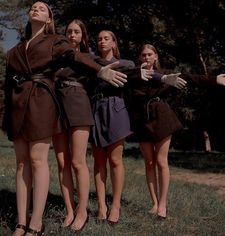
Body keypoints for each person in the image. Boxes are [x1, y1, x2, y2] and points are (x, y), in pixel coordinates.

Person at [1, 2, 128, 235]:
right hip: (20, 105)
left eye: (42, 7)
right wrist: (5, 113)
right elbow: (8, 84)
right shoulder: (14, 51)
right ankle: (21, 222)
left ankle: (39, 223)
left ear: (49, 19)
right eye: (33, 6)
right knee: (22, 163)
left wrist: (100, 70)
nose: (35, 8)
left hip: (44, 102)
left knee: (45, 160)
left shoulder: (56, 41)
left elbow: (74, 55)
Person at [127, 44, 225, 219]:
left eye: (149, 54)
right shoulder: (135, 75)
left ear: (156, 57)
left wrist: (214, 79)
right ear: (140, 58)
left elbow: (190, 77)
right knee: (149, 163)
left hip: (162, 117)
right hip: (142, 120)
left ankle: (163, 205)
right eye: (143, 55)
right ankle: (154, 203)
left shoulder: (166, 74)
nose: (146, 57)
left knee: (161, 161)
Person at [89, 30, 136, 225]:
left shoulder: (126, 64)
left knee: (115, 159)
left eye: (106, 38)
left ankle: (115, 205)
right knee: (99, 161)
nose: (102, 41)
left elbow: (135, 72)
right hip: (96, 109)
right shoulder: (91, 64)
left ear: (114, 43)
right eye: (99, 39)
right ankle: (101, 205)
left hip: (116, 108)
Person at [52, 19, 92, 230]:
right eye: (69, 31)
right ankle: (69, 209)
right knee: (62, 162)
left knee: (78, 161)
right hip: (56, 107)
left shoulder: (88, 58)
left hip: (78, 103)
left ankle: (82, 211)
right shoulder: (55, 58)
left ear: (82, 37)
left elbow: (115, 67)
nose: (72, 34)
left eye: (77, 32)